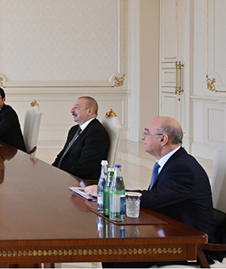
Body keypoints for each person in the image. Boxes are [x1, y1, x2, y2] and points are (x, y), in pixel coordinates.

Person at [86, 116, 224, 266]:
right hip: (173, 231)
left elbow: (152, 199)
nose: (142, 137)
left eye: (146, 133)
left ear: (163, 139)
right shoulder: (173, 162)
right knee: (112, 248)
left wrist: (110, 194)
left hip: (191, 243)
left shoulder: (183, 168)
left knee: (116, 254)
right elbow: (156, 198)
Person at [52, 96, 109, 180]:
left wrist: (60, 175)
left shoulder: (96, 133)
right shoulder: (74, 129)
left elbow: (85, 168)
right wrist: (52, 170)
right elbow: (62, 155)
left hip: (79, 181)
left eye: (77, 107)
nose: (72, 110)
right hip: (65, 175)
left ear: (89, 111)